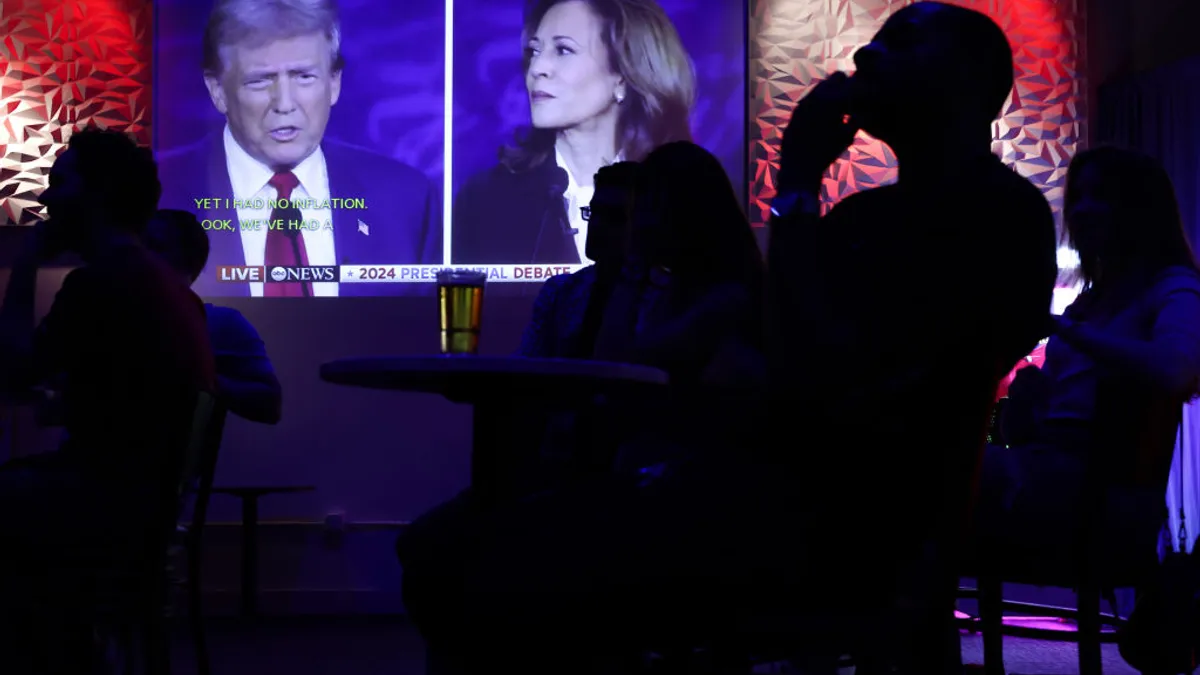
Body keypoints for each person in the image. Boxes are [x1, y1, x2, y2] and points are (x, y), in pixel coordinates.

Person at [399, 142, 777, 675]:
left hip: (672, 501)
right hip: (614, 482)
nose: (625, 226)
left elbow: (627, 370)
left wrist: (631, 272)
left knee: (461, 555)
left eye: (638, 212)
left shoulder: (716, 301)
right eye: (602, 213)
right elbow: (551, 372)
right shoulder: (592, 292)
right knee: (431, 547)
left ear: (676, 216)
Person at [766, 3, 1057, 671]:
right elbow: (786, 346)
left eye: (901, 43)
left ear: (972, 82)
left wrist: (800, 181)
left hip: (877, 509)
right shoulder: (862, 215)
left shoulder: (1006, 214)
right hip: (823, 489)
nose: (866, 59)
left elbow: (832, 364)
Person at [0, 129, 216, 671]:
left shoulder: (103, 284)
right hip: (141, 507)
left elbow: (13, 370)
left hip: (103, 508)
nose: (46, 199)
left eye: (59, 184)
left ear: (95, 197)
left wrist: (25, 266)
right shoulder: (163, 285)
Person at [979, 146, 1200, 570]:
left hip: (1103, 495)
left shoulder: (1174, 287)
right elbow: (1042, 425)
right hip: (1054, 471)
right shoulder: (1090, 303)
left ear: (1139, 209)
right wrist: (1027, 402)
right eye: (1077, 196)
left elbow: (1176, 369)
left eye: (1101, 196)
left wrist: (1067, 329)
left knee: (935, 472)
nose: (1081, 209)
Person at [157, 0, 440, 298]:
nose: (284, 104)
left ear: (334, 83)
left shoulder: (406, 200)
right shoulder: (158, 196)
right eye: (259, 81)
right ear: (217, 90)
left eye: (303, 76)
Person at [451, 0, 694, 265]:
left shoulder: (683, 195)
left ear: (623, 75)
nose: (537, 69)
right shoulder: (484, 202)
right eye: (534, 51)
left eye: (563, 50)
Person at [145, 209, 283, 424]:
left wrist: (202, 378)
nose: (142, 255)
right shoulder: (102, 310)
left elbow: (268, 402)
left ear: (188, 260)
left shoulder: (218, 324)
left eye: (155, 246)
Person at [517, 160, 639, 358]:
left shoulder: (656, 299)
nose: (597, 224)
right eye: (594, 212)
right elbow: (525, 368)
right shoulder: (560, 292)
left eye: (613, 216)